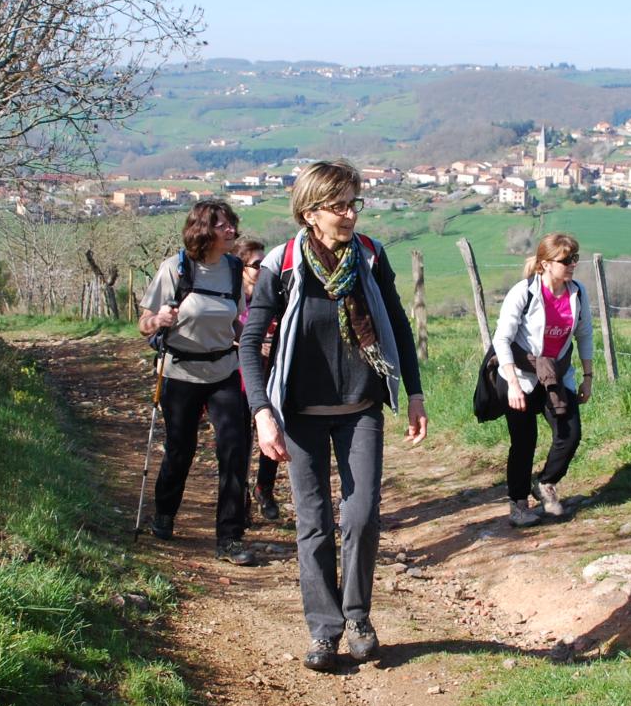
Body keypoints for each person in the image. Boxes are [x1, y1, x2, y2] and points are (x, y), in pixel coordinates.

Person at [239, 159, 426, 672]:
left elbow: (398, 327)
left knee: (362, 514)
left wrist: (413, 392)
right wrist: (261, 412)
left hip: (361, 407)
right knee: (315, 522)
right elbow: (252, 341)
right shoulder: (284, 263)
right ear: (310, 211)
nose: (349, 214)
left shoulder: (369, 256)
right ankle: (325, 630)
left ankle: (359, 616)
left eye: (353, 203)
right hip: (299, 412)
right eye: (338, 205)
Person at [139, 199, 258, 566]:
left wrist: (253, 338)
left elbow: (235, 319)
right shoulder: (174, 269)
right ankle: (165, 512)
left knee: (235, 449)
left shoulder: (234, 267)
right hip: (181, 372)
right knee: (181, 448)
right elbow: (143, 324)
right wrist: (159, 320)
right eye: (222, 225)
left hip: (224, 368)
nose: (230, 230)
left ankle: (229, 536)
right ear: (203, 230)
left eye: (231, 223)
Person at [493, 232, 595, 527]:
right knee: (524, 441)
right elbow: (502, 340)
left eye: (574, 258)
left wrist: (587, 377)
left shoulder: (578, 293)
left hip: (557, 375)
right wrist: (512, 383)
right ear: (545, 264)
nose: (572, 264)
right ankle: (519, 503)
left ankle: (546, 482)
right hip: (521, 376)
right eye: (566, 260)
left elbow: (585, 335)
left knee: (570, 433)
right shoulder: (523, 292)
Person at [234, 236, 285, 524]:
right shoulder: (232, 298)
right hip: (238, 378)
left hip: (270, 375)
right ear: (242, 268)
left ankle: (265, 489)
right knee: (239, 440)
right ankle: (238, 495)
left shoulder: (274, 295)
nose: (263, 270)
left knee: (272, 431)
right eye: (257, 265)